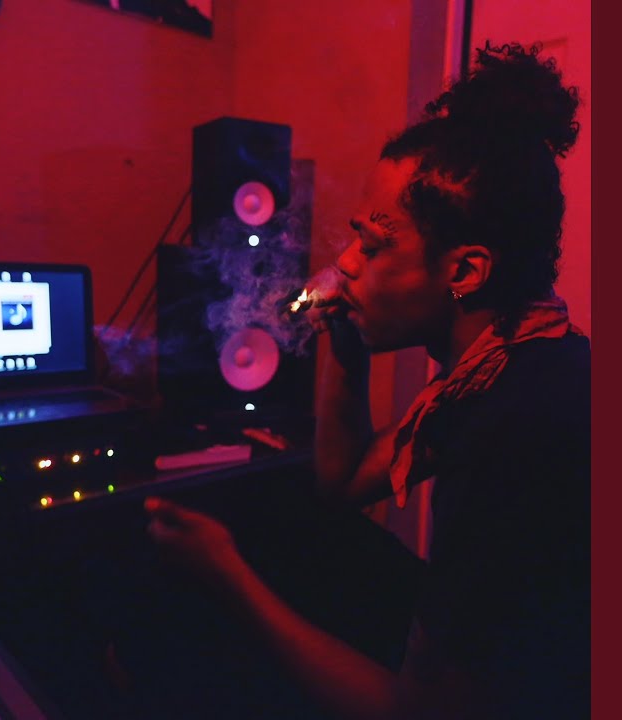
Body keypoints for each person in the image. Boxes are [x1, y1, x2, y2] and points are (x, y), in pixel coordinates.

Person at [144, 42, 589, 719]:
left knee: (207, 627)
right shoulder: (502, 364)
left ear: (464, 272)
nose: (345, 262)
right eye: (355, 237)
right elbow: (344, 481)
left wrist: (225, 574)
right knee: (305, 536)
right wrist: (346, 340)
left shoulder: (520, 425)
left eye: (375, 245)